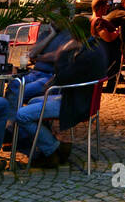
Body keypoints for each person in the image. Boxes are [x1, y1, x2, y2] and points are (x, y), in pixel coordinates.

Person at [10, 18, 107, 168]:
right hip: (83, 100)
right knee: (32, 102)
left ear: (75, 34)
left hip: (75, 104)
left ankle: (53, 149)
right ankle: (44, 145)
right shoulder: (94, 46)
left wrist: (63, 51)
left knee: (21, 115)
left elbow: (62, 78)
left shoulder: (86, 54)